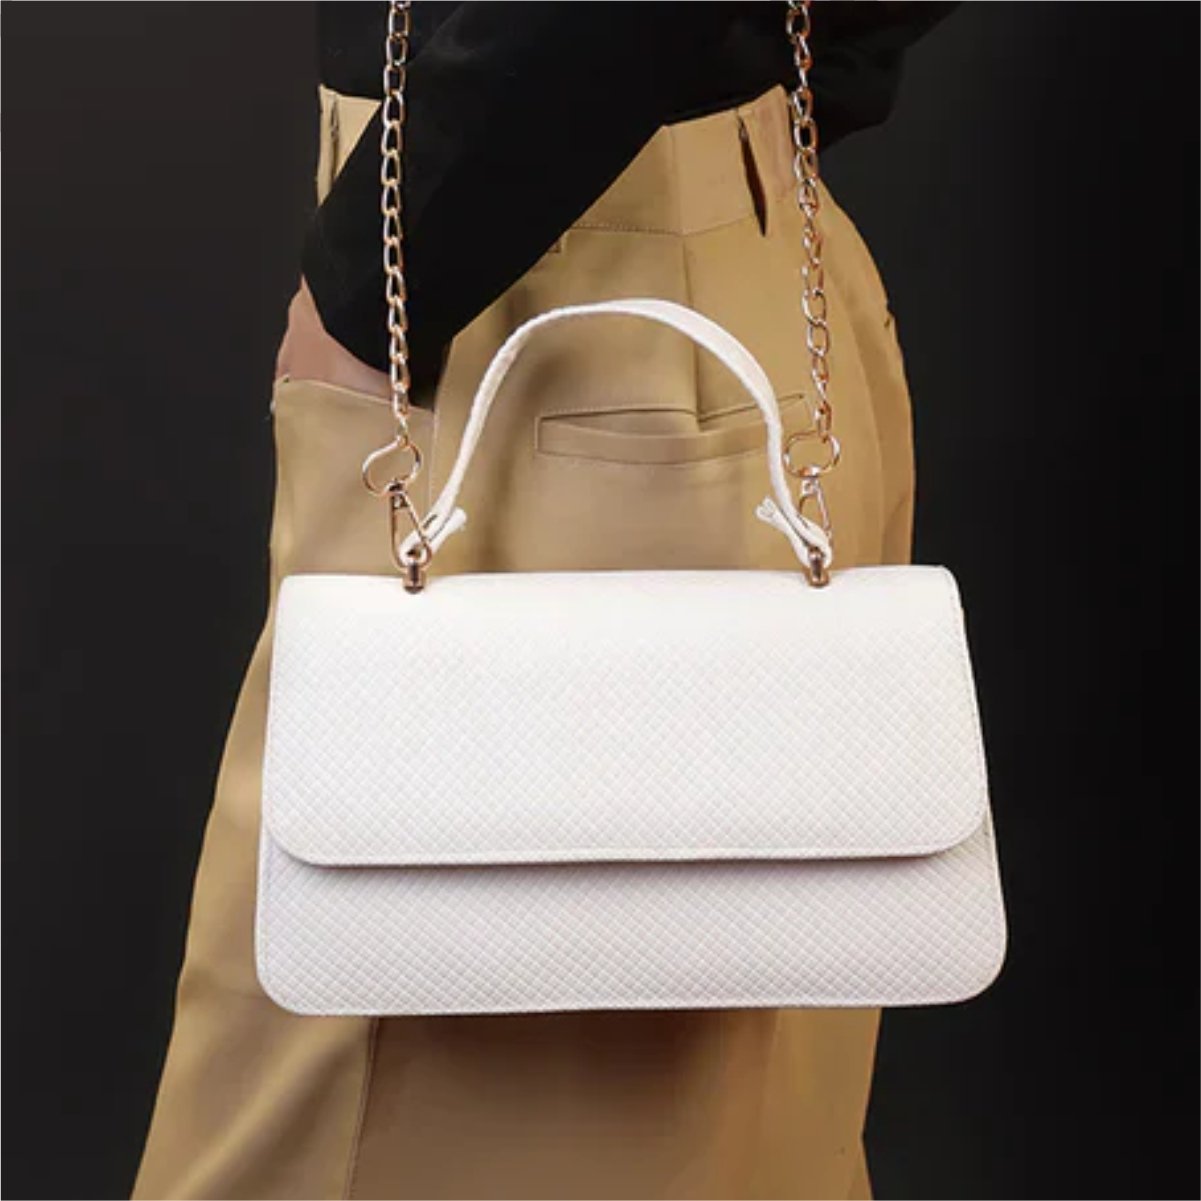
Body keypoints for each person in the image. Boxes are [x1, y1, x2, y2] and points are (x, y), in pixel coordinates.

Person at [134, 4, 955, 1198]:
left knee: (345, 1076)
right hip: (721, 263)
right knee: (716, 1130)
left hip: (529, 288)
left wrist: (368, 277)